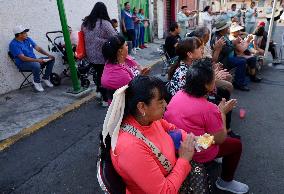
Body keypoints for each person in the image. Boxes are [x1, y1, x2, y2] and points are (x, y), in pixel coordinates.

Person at [164, 60, 249, 194]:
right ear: (207, 85)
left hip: (177, 145)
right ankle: (225, 181)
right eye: (214, 78)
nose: (215, 80)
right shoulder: (209, 108)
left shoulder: (178, 94)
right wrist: (222, 113)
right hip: (197, 151)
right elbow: (220, 138)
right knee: (236, 145)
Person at [101, 75, 195, 193]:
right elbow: (164, 191)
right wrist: (184, 160)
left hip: (174, 175)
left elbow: (172, 129)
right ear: (142, 107)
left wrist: (190, 139)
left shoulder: (149, 119)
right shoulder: (130, 148)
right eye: (160, 102)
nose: (166, 105)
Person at [82, 2, 117, 107]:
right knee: (104, 76)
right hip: (102, 55)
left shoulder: (86, 23)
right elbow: (114, 37)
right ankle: (105, 99)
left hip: (90, 54)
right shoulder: (104, 23)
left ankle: (98, 92)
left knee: (98, 73)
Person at [101, 35, 150, 104]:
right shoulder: (118, 74)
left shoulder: (125, 58)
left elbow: (138, 67)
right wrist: (142, 77)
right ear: (120, 51)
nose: (128, 47)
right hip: (125, 106)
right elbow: (134, 90)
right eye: (126, 45)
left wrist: (141, 73)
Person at [9, 25, 55, 92]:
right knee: (36, 64)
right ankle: (37, 82)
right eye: (24, 33)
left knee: (51, 59)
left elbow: (38, 48)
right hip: (23, 64)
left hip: (34, 60)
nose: (26, 34)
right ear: (19, 35)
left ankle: (46, 78)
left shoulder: (28, 39)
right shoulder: (13, 44)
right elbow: (23, 58)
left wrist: (48, 55)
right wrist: (38, 60)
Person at [211, 19, 251, 91]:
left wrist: (233, 42)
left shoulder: (223, 35)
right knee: (242, 62)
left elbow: (228, 44)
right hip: (223, 60)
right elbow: (226, 51)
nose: (228, 28)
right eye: (227, 27)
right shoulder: (218, 38)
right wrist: (234, 43)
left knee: (244, 60)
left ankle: (240, 80)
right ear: (222, 29)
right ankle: (239, 83)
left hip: (228, 57)